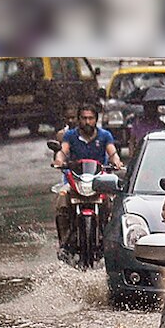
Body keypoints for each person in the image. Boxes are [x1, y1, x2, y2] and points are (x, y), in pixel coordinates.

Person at [53, 104, 122, 249]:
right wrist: (59, 160)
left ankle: (112, 240)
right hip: (73, 181)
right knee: (61, 200)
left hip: (100, 182)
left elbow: (113, 153)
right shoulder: (70, 135)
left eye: (90, 118)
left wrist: (116, 162)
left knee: (113, 204)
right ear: (78, 119)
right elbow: (63, 151)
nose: (87, 122)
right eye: (84, 118)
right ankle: (64, 241)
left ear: (96, 119)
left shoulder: (105, 136)